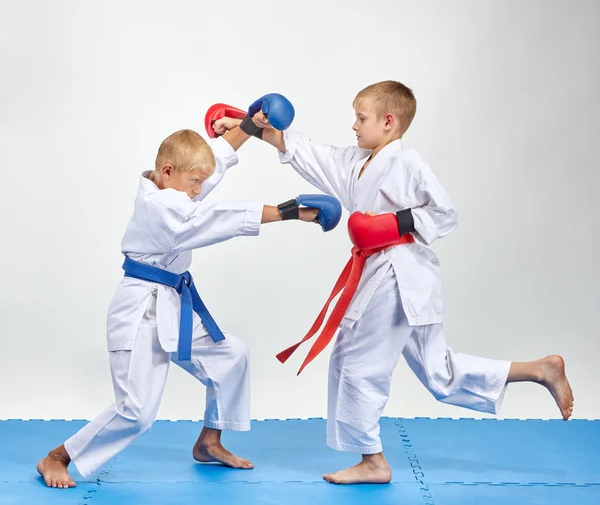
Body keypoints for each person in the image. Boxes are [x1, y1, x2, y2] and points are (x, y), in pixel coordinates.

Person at [214, 81, 574, 485]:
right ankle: (540, 369)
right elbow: (310, 153)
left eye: (361, 118)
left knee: (355, 361)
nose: (353, 126)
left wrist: (393, 224)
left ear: (388, 122)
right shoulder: (358, 161)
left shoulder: (409, 162)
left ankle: (373, 461)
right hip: (401, 278)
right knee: (440, 372)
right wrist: (245, 124)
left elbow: (444, 212)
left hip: (396, 275)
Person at [37, 95, 341, 489]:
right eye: (194, 182)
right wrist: (289, 211)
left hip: (172, 306)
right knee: (136, 413)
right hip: (139, 314)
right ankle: (56, 457)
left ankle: (209, 442)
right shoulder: (164, 207)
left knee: (231, 355)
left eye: (199, 182)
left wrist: (249, 125)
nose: (199, 189)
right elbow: (216, 218)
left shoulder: (177, 184)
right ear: (168, 171)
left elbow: (212, 164)